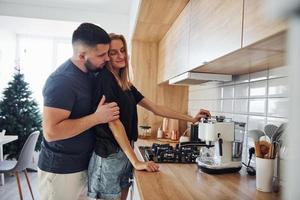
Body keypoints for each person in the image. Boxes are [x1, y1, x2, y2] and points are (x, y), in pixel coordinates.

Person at [87, 33, 211, 200]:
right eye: (113, 52)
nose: (121, 55)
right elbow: (114, 123)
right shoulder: (105, 79)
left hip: (124, 151)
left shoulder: (125, 84)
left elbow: (155, 107)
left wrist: (192, 119)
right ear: (106, 56)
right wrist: (136, 161)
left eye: (122, 50)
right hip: (110, 155)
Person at [38, 23, 120, 200]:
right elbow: (51, 132)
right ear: (82, 55)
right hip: (60, 171)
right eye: (101, 54)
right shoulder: (61, 81)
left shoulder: (90, 74)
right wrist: (97, 118)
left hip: (81, 165)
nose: (107, 58)